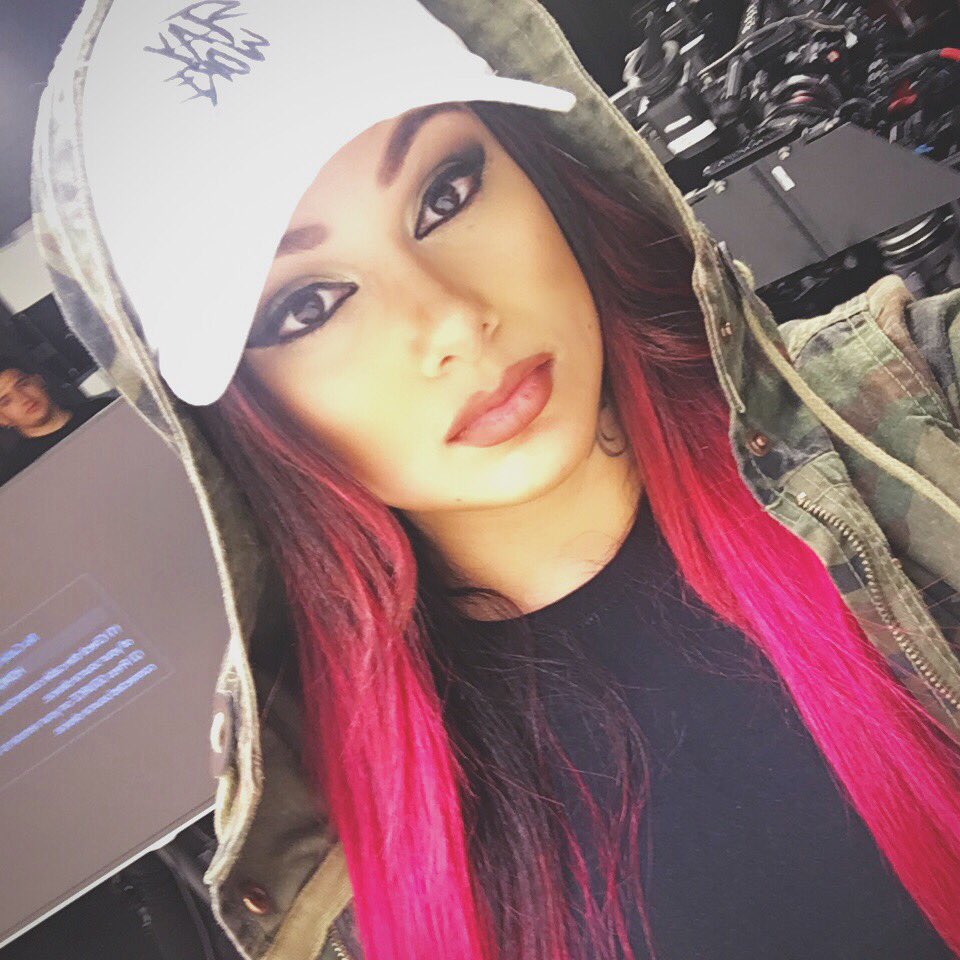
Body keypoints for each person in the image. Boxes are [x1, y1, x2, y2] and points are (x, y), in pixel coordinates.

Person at [30, 1, 960, 959]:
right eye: (307, 306)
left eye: (446, 193)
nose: (449, 320)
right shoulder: (314, 815)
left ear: (542, 168)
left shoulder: (913, 411)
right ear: (238, 418)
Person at [0, 356, 112, 485]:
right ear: (2, 419)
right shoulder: (17, 473)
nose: (23, 398)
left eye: (23, 385)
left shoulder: (105, 410)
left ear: (39, 380)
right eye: (6, 401)